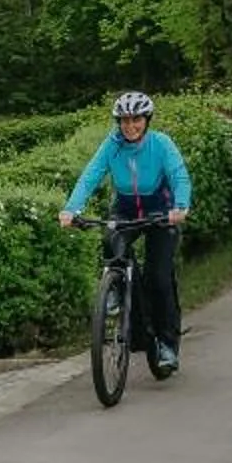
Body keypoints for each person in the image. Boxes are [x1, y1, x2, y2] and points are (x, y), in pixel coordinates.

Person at [58, 91, 193, 377]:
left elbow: (179, 175)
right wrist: (71, 209)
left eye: (136, 120)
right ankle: (117, 288)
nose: (130, 126)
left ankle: (168, 345)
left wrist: (180, 206)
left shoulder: (161, 144)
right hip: (126, 208)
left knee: (158, 277)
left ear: (147, 120)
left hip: (161, 209)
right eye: (124, 121)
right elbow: (90, 175)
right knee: (111, 238)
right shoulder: (112, 146)